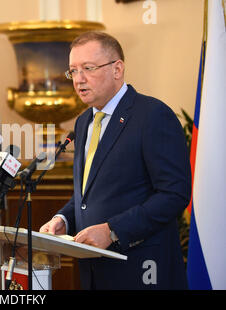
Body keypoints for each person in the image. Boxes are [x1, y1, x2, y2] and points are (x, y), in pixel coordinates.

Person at [39, 31, 191, 290]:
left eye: (88, 68)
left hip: (142, 271)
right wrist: (62, 219)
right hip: (95, 273)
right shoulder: (84, 121)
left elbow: (174, 194)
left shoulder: (152, 115)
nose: (79, 79)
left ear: (117, 69)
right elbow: (89, 194)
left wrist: (112, 230)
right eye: (73, 71)